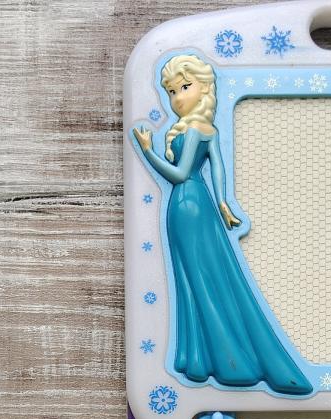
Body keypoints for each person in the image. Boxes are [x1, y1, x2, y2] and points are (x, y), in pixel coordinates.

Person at [131, 54, 312, 397]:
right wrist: (224, 203)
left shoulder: (196, 129)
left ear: (204, 88)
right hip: (193, 205)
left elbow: (180, 174)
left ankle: (219, 360)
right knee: (197, 277)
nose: (177, 98)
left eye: (185, 87)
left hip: (187, 204)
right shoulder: (204, 129)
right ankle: (202, 358)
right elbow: (217, 169)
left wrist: (148, 151)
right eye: (171, 92)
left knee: (200, 279)